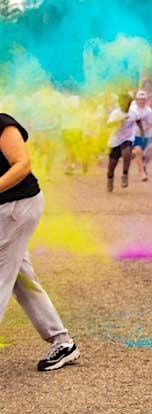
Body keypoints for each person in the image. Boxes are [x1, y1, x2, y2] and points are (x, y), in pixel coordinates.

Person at [0, 111, 80, 371]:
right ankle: (62, 341)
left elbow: (22, 164)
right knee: (21, 279)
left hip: (17, 207)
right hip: (7, 210)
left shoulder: (2, 124)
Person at [106, 92, 141, 192]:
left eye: (128, 103)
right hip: (115, 140)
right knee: (111, 167)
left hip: (127, 138)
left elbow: (138, 120)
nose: (126, 105)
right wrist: (119, 121)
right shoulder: (115, 113)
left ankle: (125, 175)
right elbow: (108, 125)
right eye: (124, 103)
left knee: (127, 153)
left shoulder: (133, 113)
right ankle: (110, 179)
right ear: (120, 103)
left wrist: (142, 131)